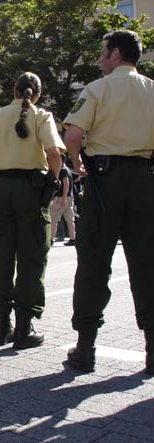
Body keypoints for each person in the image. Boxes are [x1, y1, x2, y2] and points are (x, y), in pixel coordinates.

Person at [63, 30, 154, 374]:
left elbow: (73, 136)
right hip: (145, 179)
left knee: (94, 263)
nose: (100, 58)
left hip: (105, 182)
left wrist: (77, 163)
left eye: (103, 52)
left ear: (115, 54)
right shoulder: (152, 89)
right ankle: (152, 349)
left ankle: (85, 349)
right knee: (147, 264)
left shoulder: (98, 89)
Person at [0, 72, 63, 349]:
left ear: (14, 89)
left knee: (0, 257)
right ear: (37, 94)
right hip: (31, 190)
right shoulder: (41, 116)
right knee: (31, 258)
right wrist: (53, 180)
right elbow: (55, 154)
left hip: (1, 190)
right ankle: (24, 327)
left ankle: (2, 326)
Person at [50, 155, 76, 246]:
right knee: (70, 219)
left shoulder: (63, 170)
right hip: (69, 197)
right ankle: (73, 238)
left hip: (62, 197)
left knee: (53, 219)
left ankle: (50, 238)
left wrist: (63, 197)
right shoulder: (68, 169)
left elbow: (66, 184)